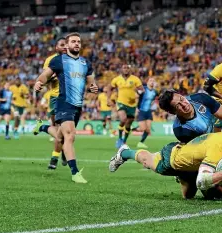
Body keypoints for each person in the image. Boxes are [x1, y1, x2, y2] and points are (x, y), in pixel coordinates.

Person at [109, 118, 222, 200]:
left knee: (191, 197)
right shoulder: (217, 146)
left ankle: (184, 178)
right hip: (175, 159)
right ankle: (125, 152)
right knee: (147, 161)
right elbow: (202, 182)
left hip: (196, 166)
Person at [34, 32, 98, 183]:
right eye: (73, 41)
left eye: (78, 42)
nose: (76, 44)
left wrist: (93, 88)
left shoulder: (85, 64)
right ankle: (75, 172)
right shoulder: (58, 60)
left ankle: (42, 127)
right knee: (70, 135)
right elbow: (45, 75)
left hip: (77, 105)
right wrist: (39, 82)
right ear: (67, 45)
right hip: (63, 102)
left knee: (61, 137)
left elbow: (91, 83)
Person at [32, 37, 68, 169]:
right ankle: (55, 158)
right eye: (61, 45)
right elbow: (45, 78)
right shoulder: (51, 60)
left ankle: (42, 127)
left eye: (66, 45)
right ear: (56, 47)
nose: (65, 47)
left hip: (70, 98)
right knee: (61, 131)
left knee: (63, 132)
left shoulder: (73, 60)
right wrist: (45, 80)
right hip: (56, 97)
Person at [158, 89, 222, 144]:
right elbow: (198, 151)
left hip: (216, 138)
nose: (184, 104)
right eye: (178, 106)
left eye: (182, 99)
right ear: (173, 112)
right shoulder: (181, 130)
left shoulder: (201, 99)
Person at [107, 64, 144, 148]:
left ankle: (124, 141)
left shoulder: (135, 79)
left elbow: (142, 89)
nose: (126, 69)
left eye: (127, 68)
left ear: (130, 69)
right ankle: (119, 139)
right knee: (123, 119)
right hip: (121, 102)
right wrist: (108, 99)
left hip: (132, 104)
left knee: (128, 124)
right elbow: (110, 88)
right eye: (124, 68)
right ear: (121, 69)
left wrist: (138, 93)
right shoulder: (116, 79)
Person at [136, 78, 159, 148]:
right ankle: (133, 128)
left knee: (148, 129)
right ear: (147, 82)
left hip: (148, 111)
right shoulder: (143, 89)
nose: (152, 82)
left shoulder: (155, 92)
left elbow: (154, 99)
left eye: (153, 81)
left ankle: (141, 142)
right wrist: (136, 108)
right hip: (141, 111)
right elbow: (137, 96)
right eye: (150, 81)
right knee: (143, 129)